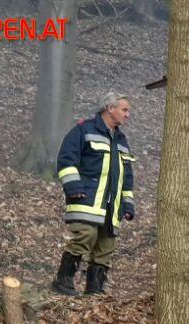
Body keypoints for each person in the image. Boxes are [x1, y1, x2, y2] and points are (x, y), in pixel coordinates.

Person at [52, 92, 136, 297]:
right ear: (110, 108)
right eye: (124, 110)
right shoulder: (83, 130)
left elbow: (127, 178)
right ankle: (63, 281)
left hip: (111, 206)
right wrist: (73, 188)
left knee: (106, 246)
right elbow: (66, 160)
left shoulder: (122, 141)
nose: (128, 115)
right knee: (86, 236)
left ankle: (94, 290)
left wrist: (127, 204)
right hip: (85, 200)